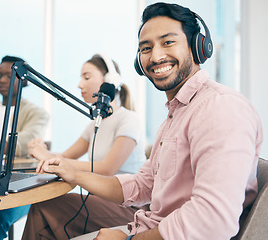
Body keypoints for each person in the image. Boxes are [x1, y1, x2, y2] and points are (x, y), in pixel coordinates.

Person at [34, 3, 263, 240]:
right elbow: (144, 185)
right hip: (147, 227)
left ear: (198, 46)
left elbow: (213, 221)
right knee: (44, 214)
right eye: (146, 48)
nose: (155, 56)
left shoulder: (220, 108)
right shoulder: (176, 116)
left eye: (168, 42)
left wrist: (127, 239)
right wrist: (74, 173)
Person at [21, 53, 146, 239]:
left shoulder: (129, 120)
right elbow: (66, 156)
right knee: (44, 232)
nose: (80, 84)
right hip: (100, 201)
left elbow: (107, 168)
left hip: (128, 208)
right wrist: (42, 151)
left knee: (42, 206)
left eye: (86, 77)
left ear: (109, 81)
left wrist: (49, 158)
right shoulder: (95, 124)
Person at [0, 55, 50, 239]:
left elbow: (26, 142)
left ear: (23, 80)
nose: (1, 80)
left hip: (16, 185)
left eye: (8, 75)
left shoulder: (36, 113)